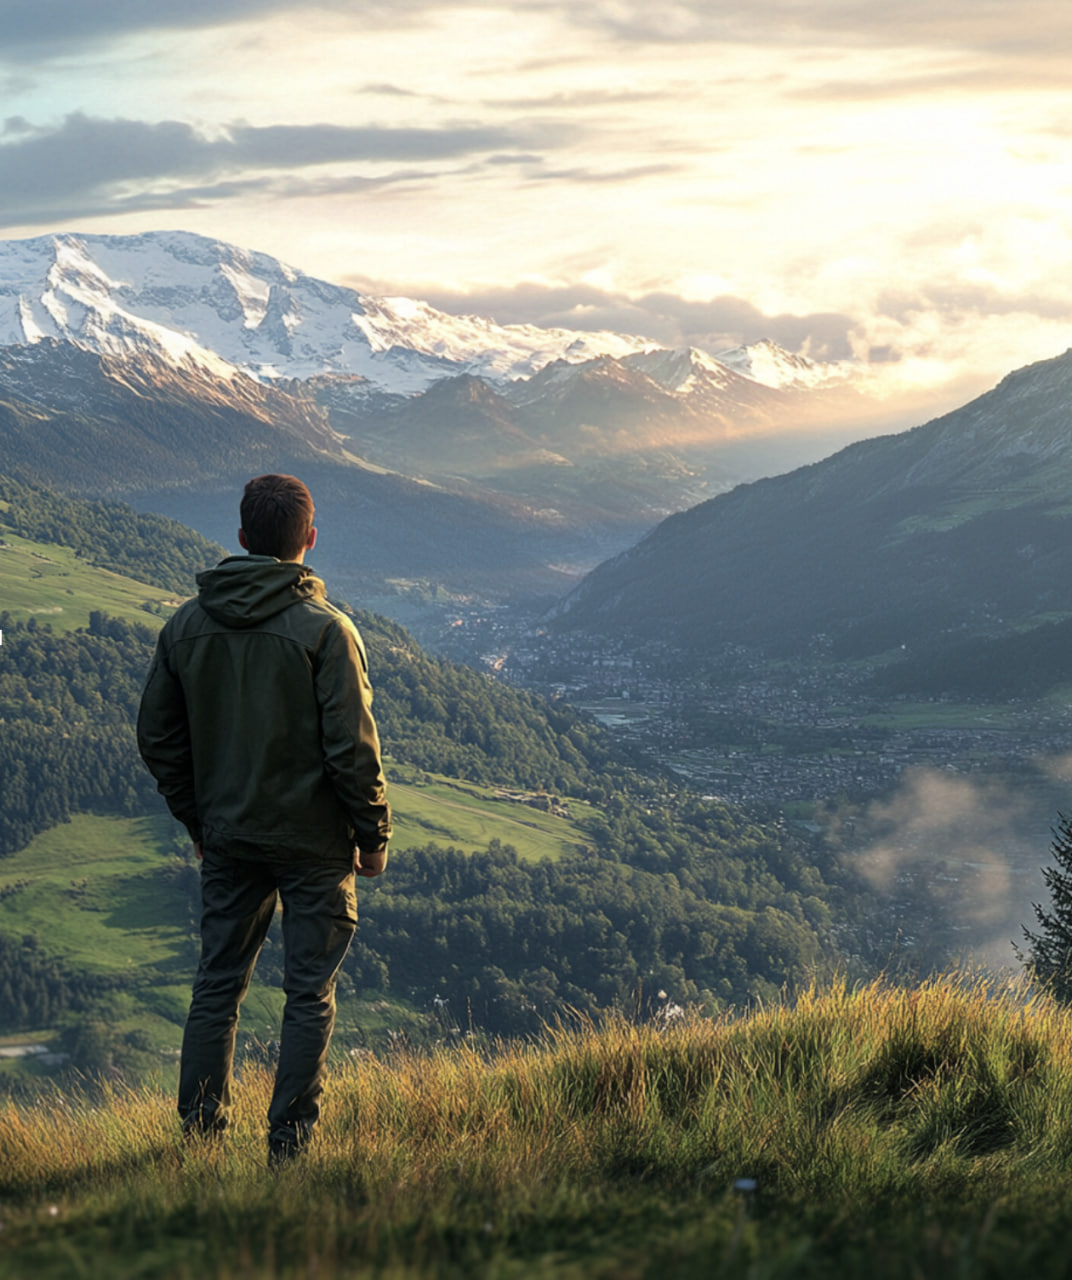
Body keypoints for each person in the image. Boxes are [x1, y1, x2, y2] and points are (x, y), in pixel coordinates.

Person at [137, 473, 391, 1165]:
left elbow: (157, 738)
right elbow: (352, 749)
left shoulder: (186, 626)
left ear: (243, 539)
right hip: (315, 844)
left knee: (216, 986)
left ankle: (199, 1140)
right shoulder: (326, 632)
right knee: (309, 992)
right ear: (308, 541)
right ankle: (288, 1147)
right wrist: (373, 837)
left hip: (229, 836)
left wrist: (200, 819)